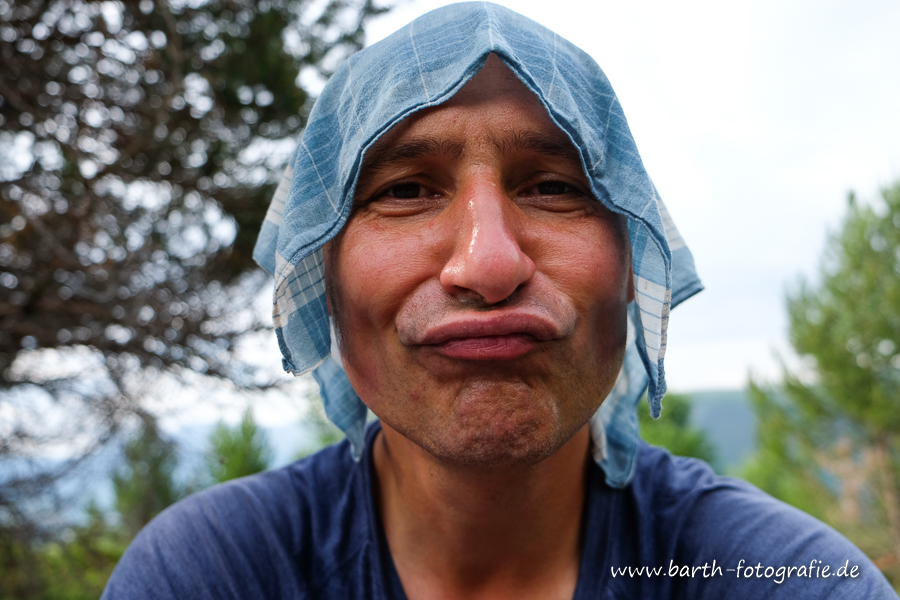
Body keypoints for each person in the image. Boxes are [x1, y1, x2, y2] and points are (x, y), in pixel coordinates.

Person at [102, 3, 897, 598]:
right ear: (324, 274)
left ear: (632, 259)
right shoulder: (211, 575)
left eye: (554, 187)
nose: (488, 265)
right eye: (405, 190)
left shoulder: (780, 579)